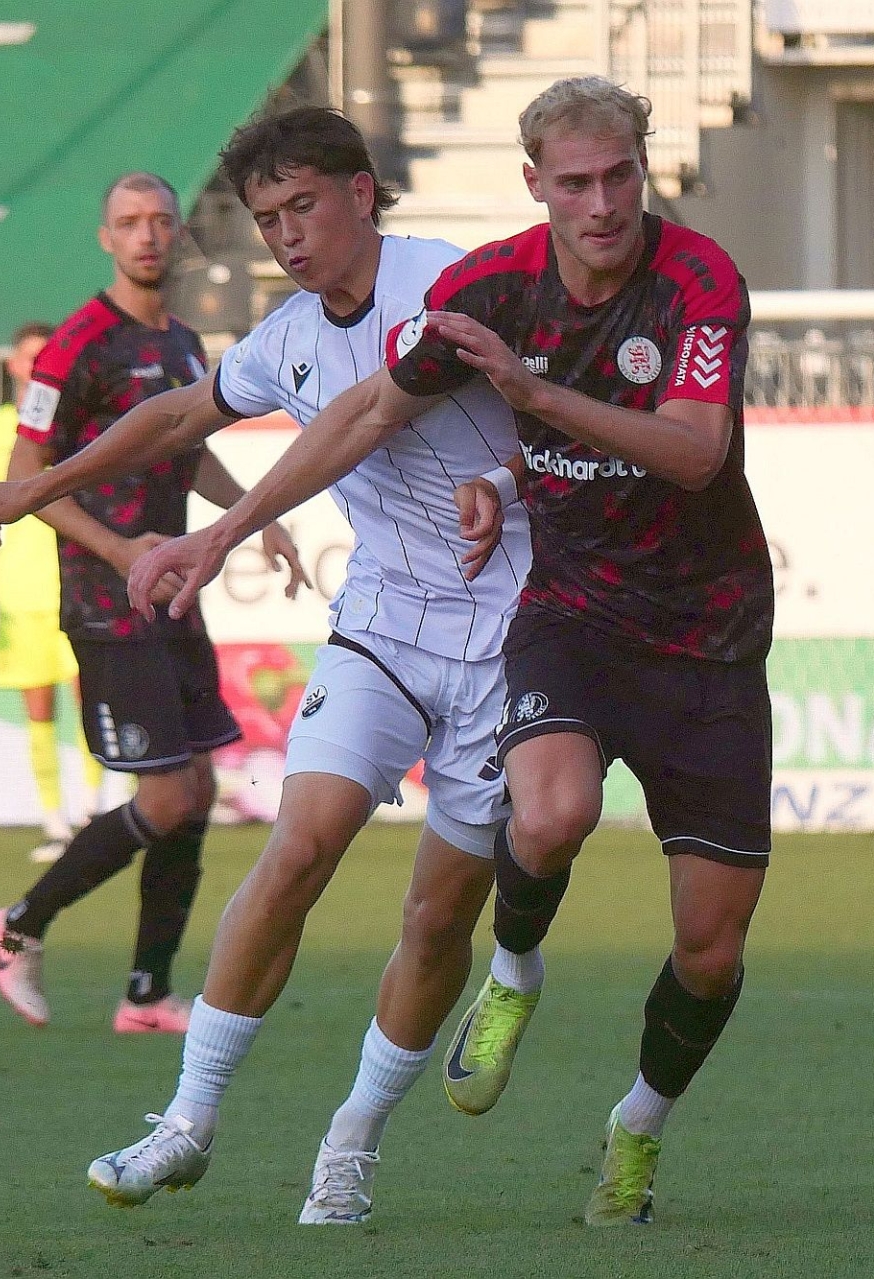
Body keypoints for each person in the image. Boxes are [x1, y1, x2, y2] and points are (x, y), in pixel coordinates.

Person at [126, 77, 773, 1227]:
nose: (601, 201)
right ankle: (494, 978)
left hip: (701, 631)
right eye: (574, 181)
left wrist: (524, 412)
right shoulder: (490, 287)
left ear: (643, 169)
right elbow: (368, 412)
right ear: (535, 186)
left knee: (708, 949)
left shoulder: (696, 279)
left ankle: (632, 1124)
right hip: (556, 612)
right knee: (532, 817)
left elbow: (691, 454)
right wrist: (218, 530)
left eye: (619, 175)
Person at [0, 109, 531, 1222]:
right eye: (266, 219)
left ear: (363, 193)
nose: (287, 235)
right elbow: (179, 416)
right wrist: (33, 488)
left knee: (435, 918)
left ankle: (350, 1145)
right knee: (298, 844)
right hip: (384, 627)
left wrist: (499, 486)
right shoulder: (288, 334)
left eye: (303, 205)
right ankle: (186, 1121)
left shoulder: (451, 286)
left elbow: (406, 421)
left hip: (513, 639)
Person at [0, 171, 308, 1036]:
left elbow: (188, 446)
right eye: (129, 222)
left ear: (180, 233)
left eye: (160, 220)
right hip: (107, 603)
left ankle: (146, 993)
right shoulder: (75, 345)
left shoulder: (183, 344)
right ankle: (20, 923)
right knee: (166, 796)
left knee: (195, 785)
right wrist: (119, 549)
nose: (147, 234)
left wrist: (256, 516)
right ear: (105, 238)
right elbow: (29, 475)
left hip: (171, 598)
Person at [0, 320, 116, 863]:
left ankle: (93, 812)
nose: (36, 364)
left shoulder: (78, 421)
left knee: (91, 702)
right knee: (39, 712)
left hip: (77, 581)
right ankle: (54, 820)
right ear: (13, 364)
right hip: (20, 592)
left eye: (46, 355)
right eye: (29, 356)